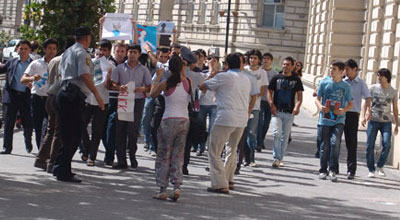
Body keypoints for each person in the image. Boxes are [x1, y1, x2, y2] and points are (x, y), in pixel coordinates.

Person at [53, 26, 104, 183]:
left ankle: (59, 166)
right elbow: (85, 74)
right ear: (87, 38)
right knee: (74, 135)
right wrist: (97, 94)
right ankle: (63, 170)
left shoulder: (69, 50)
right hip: (73, 96)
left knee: (67, 133)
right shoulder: (82, 53)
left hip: (65, 92)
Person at [199, 53, 255, 194]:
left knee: (214, 150)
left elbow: (202, 85)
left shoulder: (223, 76)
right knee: (232, 149)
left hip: (225, 117)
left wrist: (212, 72)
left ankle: (220, 183)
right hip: (241, 118)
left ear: (227, 65)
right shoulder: (247, 78)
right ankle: (229, 179)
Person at [150, 55, 191, 201]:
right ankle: (177, 186)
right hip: (184, 121)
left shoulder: (165, 83)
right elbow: (184, 79)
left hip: (168, 120)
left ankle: (162, 188)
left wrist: (157, 77)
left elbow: (151, 94)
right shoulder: (187, 82)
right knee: (178, 155)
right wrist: (183, 68)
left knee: (163, 155)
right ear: (181, 67)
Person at [111, 44, 152, 169]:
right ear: (126, 54)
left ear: (139, 54)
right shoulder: (119, 68)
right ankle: (121, 160)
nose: (132, 54)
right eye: (130, 52)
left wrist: (142, 89)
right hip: (124, 101)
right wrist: (119, 87)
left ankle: (132, 156)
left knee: (133, 131)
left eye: (134, 52)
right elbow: (113, 83)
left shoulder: (144, 69)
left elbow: (149, 86)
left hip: (137, 102)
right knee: (121, 131)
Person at [315, 61, 353, 182]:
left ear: (341, 72)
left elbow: (350, 103)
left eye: (334, 69)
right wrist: (320, 107)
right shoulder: (324, 83)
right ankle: (322, 170)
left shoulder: (346, 86)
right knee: (324, 145)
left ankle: (333, 170)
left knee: (334, 143)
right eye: (330, 68)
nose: (331, 71)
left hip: (338, 119)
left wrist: (343, 110)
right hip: (324, 119)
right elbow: (317, 98)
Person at [80, 40, 115, 166]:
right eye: (100, 49)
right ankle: (86, 149)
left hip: (102, 101)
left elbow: (110, 86)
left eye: (104, 50)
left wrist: (109, 78)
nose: (101, 52)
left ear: (109, 52)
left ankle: (91, 156)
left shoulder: (111, 66)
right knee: (81, 125)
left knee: (97, 130)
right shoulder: (90, 62)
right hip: (88, 99)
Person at [21, 38, 58, 150]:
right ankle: (41, 150)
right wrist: (32, 78)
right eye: (49, 49)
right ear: (44, 49)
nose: (52, 51)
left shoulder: (59, 63)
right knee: (37, 126)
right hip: (37, 98)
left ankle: (45, 151)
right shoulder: (36, 63)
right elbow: (23, 79)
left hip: (51, 99)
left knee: (47, 126)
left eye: (54, 49)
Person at [267, 56, 303, 168]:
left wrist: (297, 107)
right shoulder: (276, 78)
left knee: (285, 136)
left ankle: (280, 157)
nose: (285, 66)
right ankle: (276, 157)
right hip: (277, 111)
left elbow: (300, 96)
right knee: (276, 133)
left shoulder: (296, 80)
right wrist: (271, 105)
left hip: (289, 112)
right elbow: (269, 92)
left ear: (292, 66)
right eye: (284, 64)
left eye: (288, 64)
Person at [362, 68, 398, 178]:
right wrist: (364, 116)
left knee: (387, 144)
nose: (378, 77)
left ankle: (380, 166)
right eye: (378, 75)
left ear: (386, 78)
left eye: (380, 76)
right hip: (373, 120)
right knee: (370, 145)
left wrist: (396, 123)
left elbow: (395, 108)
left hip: (386, 122)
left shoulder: (393, 91)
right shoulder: (373, 88)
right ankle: (371, 169)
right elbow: (366, 103)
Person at [0, 39, 34, 154]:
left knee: (27, 123)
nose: (23, 51)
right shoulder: (12, 62)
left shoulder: (33, 64)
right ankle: (7, 147)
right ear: (17, 49)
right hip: (12, 95)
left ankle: (28, 143)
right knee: (9, 123)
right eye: (21, 48)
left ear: (30, 50)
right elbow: (2, 69)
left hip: (26, 97)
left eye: (26, 49)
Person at [342, 59, 371, 179]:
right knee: (335, 141)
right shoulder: (342, 82)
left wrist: (367, 112)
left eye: (348, 69)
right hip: (340, 113)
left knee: (351, 143)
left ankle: (351, 169)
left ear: (355, 70)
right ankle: (333, 167)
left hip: (353, 115)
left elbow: (368, 97)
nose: (346, 72)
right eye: (345, 69)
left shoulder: (361, 83)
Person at [104, 43, 127, 166]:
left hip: (124, 100)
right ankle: (109, 155)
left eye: (122, 51)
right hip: (109, 99)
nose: (120, 53)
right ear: (114, 51)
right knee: (108, 127)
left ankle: (118, 157)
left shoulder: (126, 66)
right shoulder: (109, 64)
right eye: (118, 51)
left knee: (119, 129)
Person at [244, 49, 268, 166]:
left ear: (259, 60)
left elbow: (263, 89)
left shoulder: (262, 73)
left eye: (255, 58)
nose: (252, 60)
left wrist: (254, 96)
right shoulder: (244, 71)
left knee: (251, 133)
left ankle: (251, 157)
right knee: (241, 132)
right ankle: (242, 156)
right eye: (251, 58)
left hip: (255, 107)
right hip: (242, 105)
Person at [256, 52, 278, 152]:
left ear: (271, 61)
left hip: (270, 101)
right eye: (264, 58)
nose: (265, 60)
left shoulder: (275, 74)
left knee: (266, 122)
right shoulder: (259, 71)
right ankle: (259, 143)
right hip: (259, 100)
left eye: (268, 58)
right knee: (259, 122)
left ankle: (261, 139)